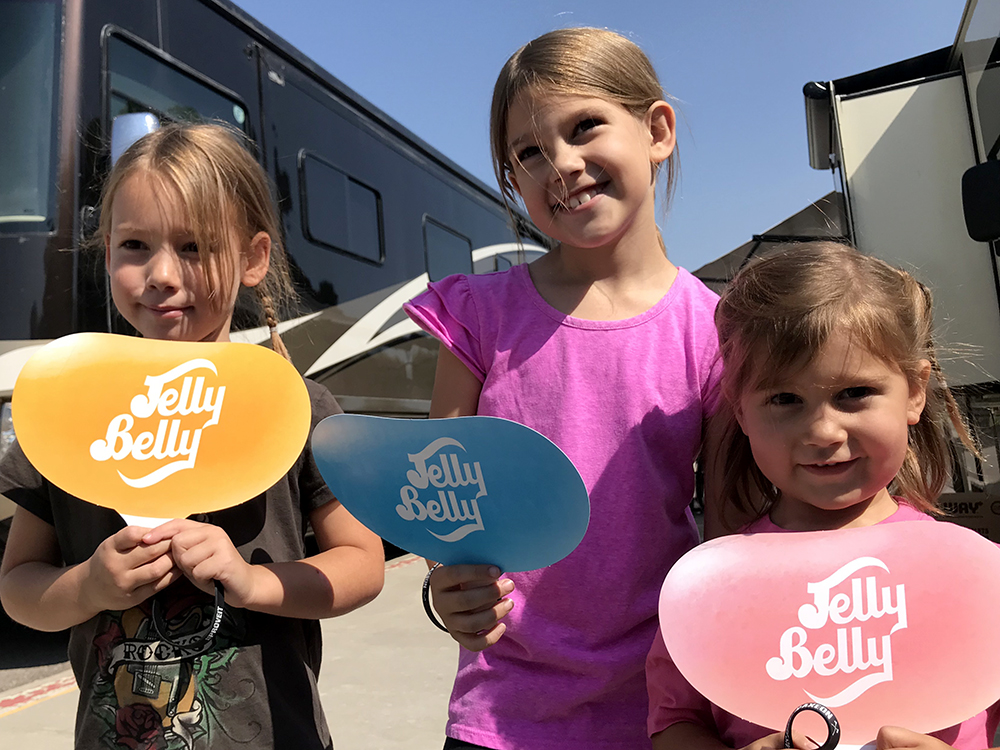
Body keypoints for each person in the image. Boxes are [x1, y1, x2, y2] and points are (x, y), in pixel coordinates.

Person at [0, 122, 385, 750]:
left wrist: (255, 581)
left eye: (194, 247)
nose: (161, 275)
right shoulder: (69, 409)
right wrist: (87, 586)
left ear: (254, 258)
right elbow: (18, 585)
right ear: (107, 256)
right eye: (133, 245)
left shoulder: (294, 407)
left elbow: (363, 563)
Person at [403, 27, 724, 750]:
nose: (564, 165)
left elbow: (736, 523)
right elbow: (438, 492)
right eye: (529, 153)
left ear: (657, 130)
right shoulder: (477, 316)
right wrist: (448, 579)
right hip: (500, 713)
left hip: (662, 711)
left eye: (585, 128)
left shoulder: (712, 332)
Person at [646, 241, 1000, 750]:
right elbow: (674, 722)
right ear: (740, 411)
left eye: (853, 393)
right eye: (785, 399)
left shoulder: (974, 572)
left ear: (915, 391)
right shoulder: (711, 590)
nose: (823, 431)